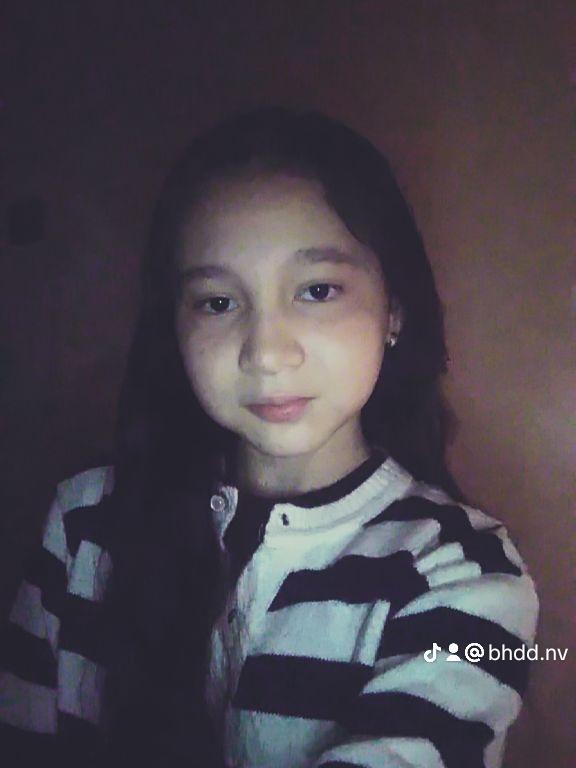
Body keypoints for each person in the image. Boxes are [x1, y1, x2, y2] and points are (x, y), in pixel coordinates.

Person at [0, 107, 539, 768]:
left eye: (317, 290)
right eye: (218, 302)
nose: (266, 352)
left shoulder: (465, 575)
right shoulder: (85, 521)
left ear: (393, 310)